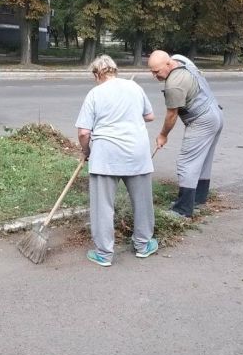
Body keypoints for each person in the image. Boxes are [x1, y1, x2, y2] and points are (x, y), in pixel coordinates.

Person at [76, 54, 158, 267]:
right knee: (142, 203)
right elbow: (149, 116)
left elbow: (84, 132)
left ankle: (104, 253)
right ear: (114, 70)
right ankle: (143, 245)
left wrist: (86, 151)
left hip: (106, 156)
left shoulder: (95, 93)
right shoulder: (134, 88)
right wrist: (128, 117)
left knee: (103, 206)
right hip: (136, 153)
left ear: (97, 74)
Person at [147, 50, 223, 218]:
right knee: (203, 160)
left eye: (157, 71)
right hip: (215, 112)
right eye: (152, 71)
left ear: (168, 64)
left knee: (186, 163)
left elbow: (171, 115)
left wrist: (162, 135)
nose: (154, 76)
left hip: (202, 119)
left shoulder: (174, 84)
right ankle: (198, 199)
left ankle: (183, 210)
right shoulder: (180, 60)